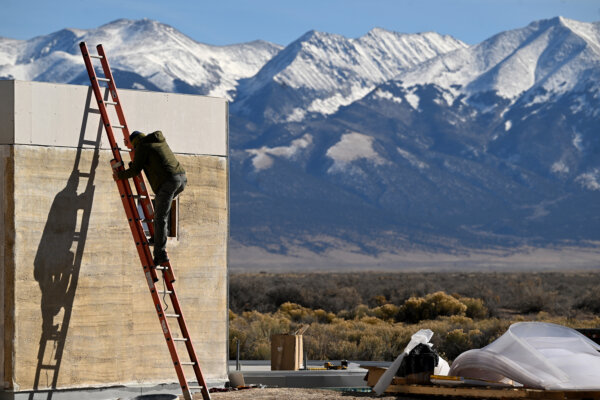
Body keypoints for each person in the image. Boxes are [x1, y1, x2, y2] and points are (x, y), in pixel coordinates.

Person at [115, 130, 186, 265]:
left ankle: (160, 254)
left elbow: (135, 170)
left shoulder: (143, 146)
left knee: (160, 217)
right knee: (160, 212)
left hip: (168, 182)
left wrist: (119, 175)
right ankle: (158, 240)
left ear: (135, 142)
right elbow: (149, 162)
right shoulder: (156, 142)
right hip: (181, 180)